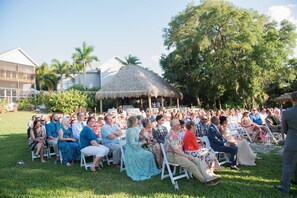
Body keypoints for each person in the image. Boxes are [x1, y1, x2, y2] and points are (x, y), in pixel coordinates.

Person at [165, 119, 220, 187]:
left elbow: (178, 146)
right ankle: (205, 181)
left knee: (197, 160)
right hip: (173, 156)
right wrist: (187, 156)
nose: (181, 125)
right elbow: (176, 150)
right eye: (179, 124)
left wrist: (181, 143)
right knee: (192, 165)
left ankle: (207, 176)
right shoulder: (171, 135)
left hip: (179, 154)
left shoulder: (176, 133)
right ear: (174, 126)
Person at [125, 116, 161, 181]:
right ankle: (144, 171)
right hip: (132, 150)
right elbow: (132, 144)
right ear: (133, 122)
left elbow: (140, 134)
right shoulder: (130, 130)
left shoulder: (135, 128)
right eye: (136, 121)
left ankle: (149, 170)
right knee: (148, 155)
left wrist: (143, 138)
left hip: (137, 148)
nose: (138, 122)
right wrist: (142, 142)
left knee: (149, 154)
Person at [275, 91, 297, 194]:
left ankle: (284, 187)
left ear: (292, 99)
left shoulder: (287, 112)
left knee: (288, 164)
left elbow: (285, 129)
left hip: (292, 141)